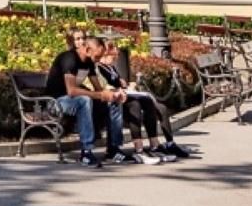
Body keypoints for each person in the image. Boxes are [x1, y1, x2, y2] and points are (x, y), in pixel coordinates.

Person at [45, 35, 131, 168]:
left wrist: (112, 94)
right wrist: (100, 95)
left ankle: (113, 149)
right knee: (84, 100)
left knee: (113, 101)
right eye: (96, 57)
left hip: (75, 99)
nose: (98, 61)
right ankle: (86, 152)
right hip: (56, 101)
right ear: (87, 49)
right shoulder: (69, 59)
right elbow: (71, 91)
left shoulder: (89, 62)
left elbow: (98, 89)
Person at [97, 46, 192, 164]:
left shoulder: (111, 68)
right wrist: (119, 88)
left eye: (117, 56)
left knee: (152, 103)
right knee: (135, 105)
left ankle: (157, 145)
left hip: (125, 95)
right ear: (105, 54)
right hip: (117, 100)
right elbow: (104, 87)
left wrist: (129, 85)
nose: (116, 59)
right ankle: (139, 148)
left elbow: (122, 82)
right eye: (113, 56)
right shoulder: (99, 68)